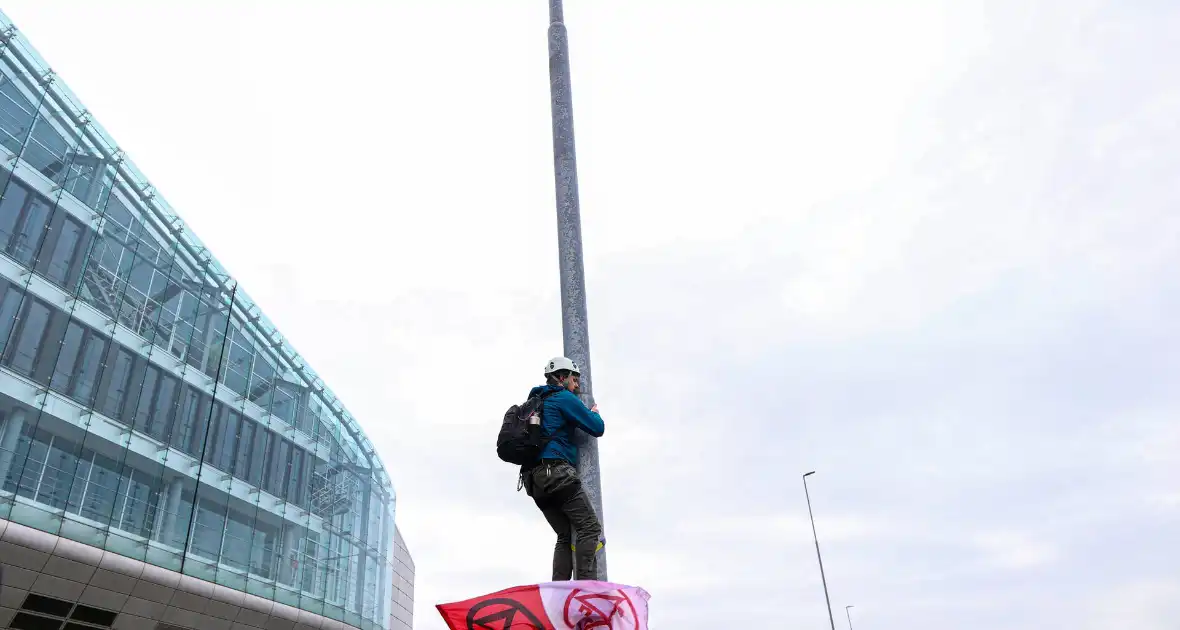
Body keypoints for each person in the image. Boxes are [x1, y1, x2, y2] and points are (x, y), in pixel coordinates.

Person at [523, 356, 605, 581]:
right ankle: (585, 590)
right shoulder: (563, 398)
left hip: (533, 480)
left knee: (564, 535)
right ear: (561, 377)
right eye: (574, 379)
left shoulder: (538, 400)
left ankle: (559, 591)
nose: (577, 385)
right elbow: (597, 427)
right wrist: (594, 412)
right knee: (589, 528)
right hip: (556, 473)